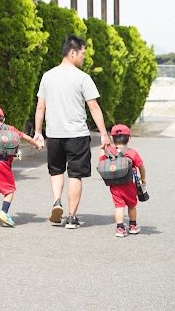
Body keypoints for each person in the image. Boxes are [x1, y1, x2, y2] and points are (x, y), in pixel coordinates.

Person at [34, 35, 110, 229]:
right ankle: (71, 217)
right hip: (77, 134)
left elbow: (40, 107)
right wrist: (103, 133)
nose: (84, 57)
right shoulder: (82, 77)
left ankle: (57, 200)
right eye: (83, 53)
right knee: (75, 175)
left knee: (56, 170)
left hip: (54, 133)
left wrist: (37, 132)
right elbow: (94, 108)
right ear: (73, 52)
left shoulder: (47, 76)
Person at [0, 106, 42, 227]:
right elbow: (25, 137)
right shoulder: (10, 129)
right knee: (9, 190)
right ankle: (3, 212)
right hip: (3, 162)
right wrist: (37, 145)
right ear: (3, 119)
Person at [99, 124, 146, 237]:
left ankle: (120, 228)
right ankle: (133, 226)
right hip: (130, 184)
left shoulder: (109, 152)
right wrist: (143, 178)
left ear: (112, 138)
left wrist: (102, 148)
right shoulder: (132, 153)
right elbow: (141, 167)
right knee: (131, 205)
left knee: (119, 206)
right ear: (129, 138)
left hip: (114, 184)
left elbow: (101, 161)